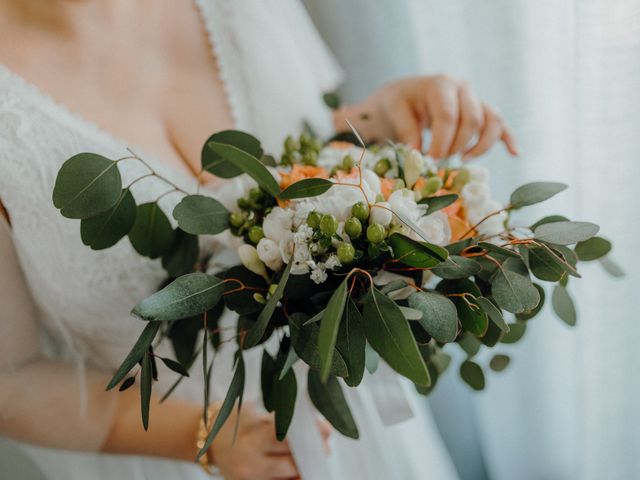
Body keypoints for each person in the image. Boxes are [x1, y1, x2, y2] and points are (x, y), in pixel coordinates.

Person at [0, 1, 516, 479]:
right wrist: (206, 436)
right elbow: (11, 382)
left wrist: (383, 117)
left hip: (345, 402)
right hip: (169, 452)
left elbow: (295, 157)